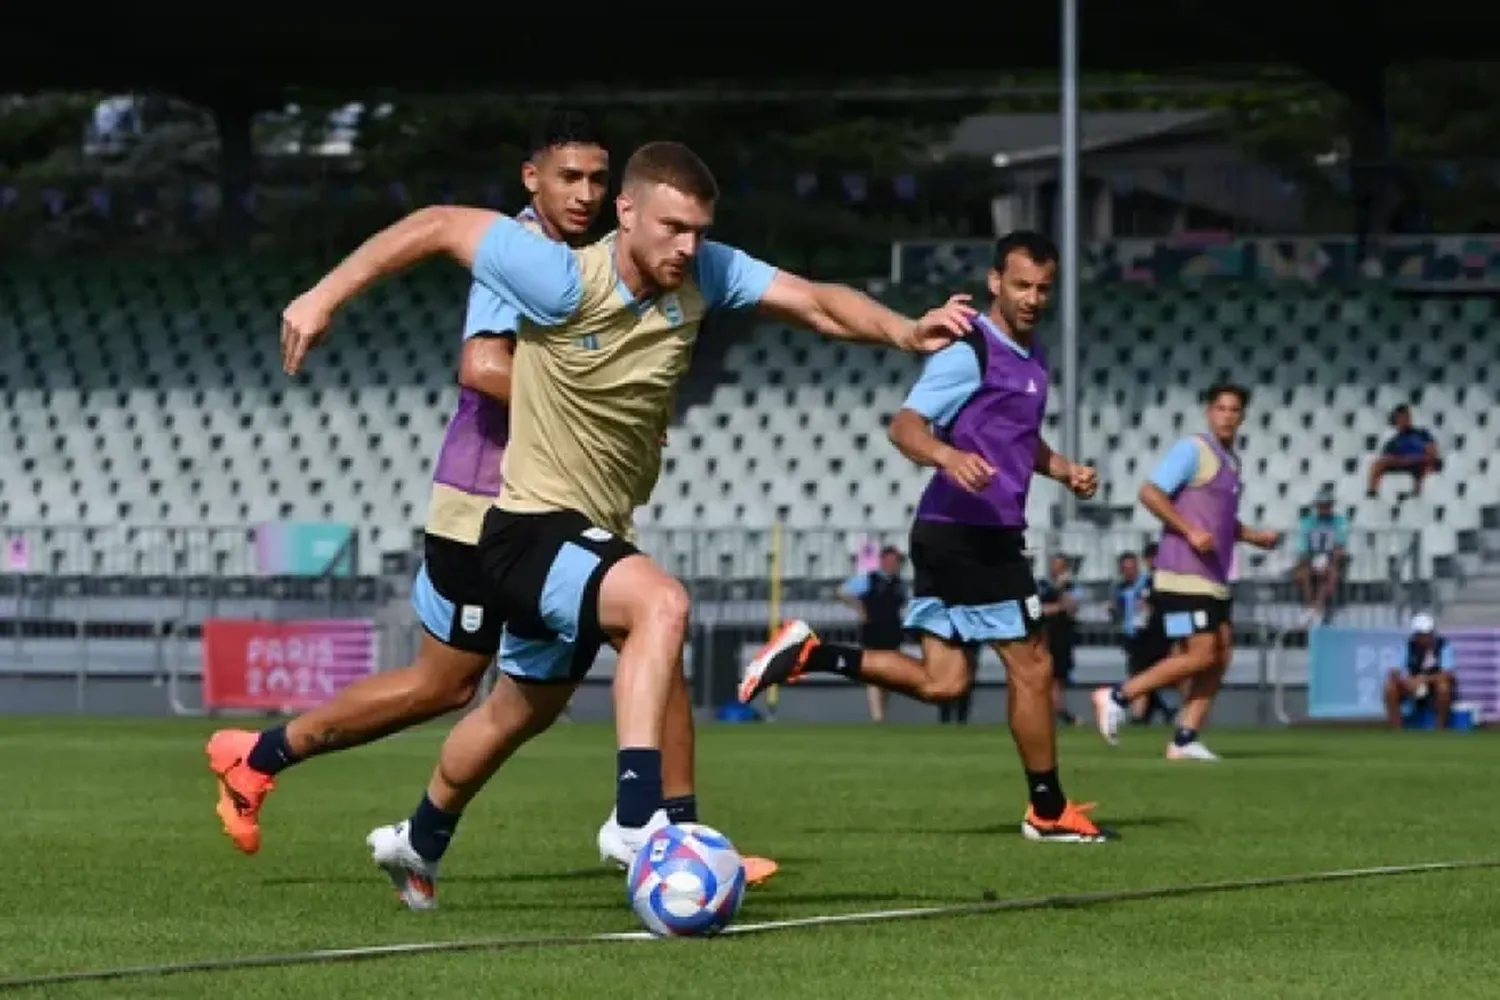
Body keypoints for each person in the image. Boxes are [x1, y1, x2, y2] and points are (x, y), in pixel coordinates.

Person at [277, 140, 975, 908]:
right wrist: (322, 297)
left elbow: (814, 301)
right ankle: (639, 822)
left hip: (590, 528)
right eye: (673, 228)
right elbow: (440, 224)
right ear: (627, 212)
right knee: (661, 605)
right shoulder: (559, 276)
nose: (689, 246)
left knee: (518, 711)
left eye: (700, 231)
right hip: (527, 526)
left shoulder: (705, 272)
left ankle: (419, 841)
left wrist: (904, 332)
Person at [204, 109, 612, 856]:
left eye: (597, 179)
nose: (586, 193)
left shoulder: (582, 260)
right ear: (533, 178)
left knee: (501, 684)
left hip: (543, 500)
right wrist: (596, 402)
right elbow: (482, 365)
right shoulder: (519, 250)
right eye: (569, 177)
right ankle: (651, 824)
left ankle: (276, 765)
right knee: (467, 681)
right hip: (485, 504)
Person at [737, 231, 1110, 843]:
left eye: (1044, 288)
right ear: (994, 282)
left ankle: (813, 654)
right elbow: (904, 424)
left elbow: (1016, 436)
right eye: (1021, 285)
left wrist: (1062, 468)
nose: (1033, 298)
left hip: (951, 533)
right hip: (972, 532)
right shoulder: (972, 350)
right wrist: (946, 456)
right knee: (1033, 666)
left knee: (945, 684)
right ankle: (1047, 808)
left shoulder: (1032, 355)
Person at [1092, 383, 1281, 761]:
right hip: (1180, 575)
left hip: (1212, 577)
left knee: (1221, 654)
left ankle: (1184, 737)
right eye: (1221, 408)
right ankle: (1116, 696)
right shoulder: (1193, 450)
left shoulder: (1232, 462)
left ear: (1242, 417)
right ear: (1209, 413)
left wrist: (1254, 536)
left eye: (1234, 410)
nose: (1227, 415)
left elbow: (1220, 521)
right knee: (1199, 654)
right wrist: (1188, 530)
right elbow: (1150, 492)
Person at [837, 545, 908, 723]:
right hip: (872, 632)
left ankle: (881, 712)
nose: (893, 565)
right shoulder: (869, 579)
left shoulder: (900, 584)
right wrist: (860, 609)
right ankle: (877, 716)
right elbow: (843, 592)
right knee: (874, 675)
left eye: (896, 561)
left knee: (890, 677)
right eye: (890, 560)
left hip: (892, 633)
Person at [1111, 551, 1172, 724]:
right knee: (1142, 675)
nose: (1129, 571)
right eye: (1125, 568)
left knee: (1141, 675)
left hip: (1150, 635)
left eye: (1131, 567)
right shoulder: (1120, 587)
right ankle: (1162, 710)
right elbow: (1121, 611)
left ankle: (1140, 715)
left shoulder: (1149, 582)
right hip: (1132, 636)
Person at [1384, 612, 1457, 729]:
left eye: (1427, 634)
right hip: (1412, 685)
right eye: (1421, 634)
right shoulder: (1407, 646)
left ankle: (1440, 728)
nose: (1425, 638)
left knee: (1443, 687)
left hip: (1434, 686)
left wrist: (1424, 680)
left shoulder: (1444, 646)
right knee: (1390, 688)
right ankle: (1396, 729)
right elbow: (1394, 671)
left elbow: (1447, 673)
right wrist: (1407, 681)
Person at [1035, 553, 1082, 726]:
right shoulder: (1042, 586)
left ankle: (1059, 712)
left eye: (1061, 566)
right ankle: (1056, 713)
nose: (1057, 569)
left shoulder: (1071, 587)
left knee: (1059, 678)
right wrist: (1058, 605)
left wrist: (1062, 592)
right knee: (1045, 677)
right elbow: (1039, 610)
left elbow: (1072, 607)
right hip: (1045, 636)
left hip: (1063, 638)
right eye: (1055, 565)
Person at [1294, 485, 1348, 623]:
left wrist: (1329, 561)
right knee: (1303, 572)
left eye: (1327, 505)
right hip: (1312, 558)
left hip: (1330, 559)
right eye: (1321, 505)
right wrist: (1305, 561)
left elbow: (1339, 545)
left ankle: (1318, 608)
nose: (1324, 508)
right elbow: (1303, 545)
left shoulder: (1339, 521)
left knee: (1327, 572)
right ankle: (1310, 607)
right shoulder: (1308, 522)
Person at [1367, 403, 1441, 498]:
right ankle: (1372, 493)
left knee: (1429, 465)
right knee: (1377, 464)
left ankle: (1417, 495)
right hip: (1401, 464)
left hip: (1420, 462)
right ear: (1396, 419)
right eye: (1402, 417)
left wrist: (1416, 458)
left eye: (1407, 416)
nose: (1406, 419)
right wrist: (1402, 460)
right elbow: (1387, 457)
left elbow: (1432, 450)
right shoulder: (1393, 440)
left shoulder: (1422, 434)